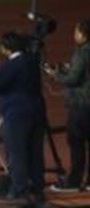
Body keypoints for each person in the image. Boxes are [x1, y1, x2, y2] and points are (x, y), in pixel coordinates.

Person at [0, 31, 47, 203]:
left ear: (7, 48)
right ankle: (37, 187)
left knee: (16, 153)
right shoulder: (32, 61)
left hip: (16, 115)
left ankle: (19, 190)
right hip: (36, 112)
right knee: (35, 153)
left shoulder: (11, 65)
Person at [45, 19, 90, 192]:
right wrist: (68, 68)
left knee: (76, 142)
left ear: (84, 34)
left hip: (80, 104)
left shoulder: (81, 53)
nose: (74, 35)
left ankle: (73, 181)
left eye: (76, 31)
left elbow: (73, 79)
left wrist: (55, 74)